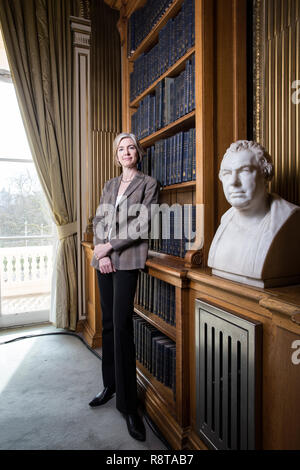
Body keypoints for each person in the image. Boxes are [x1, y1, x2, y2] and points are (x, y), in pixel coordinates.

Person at [89, 132, 160, 441]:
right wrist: (99, 250)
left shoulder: (148, 184)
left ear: (138, 153)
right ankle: (110, 384)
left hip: (128, 260)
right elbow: (99, 221)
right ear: (116, 155)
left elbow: (142, 224)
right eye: (122, 148)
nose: (127, 151)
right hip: (104, 261)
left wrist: (109, 248)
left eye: (131, 147)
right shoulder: (108, 185)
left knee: (121, 327)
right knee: (106, 325)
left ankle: (129, 406)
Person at [208, 140, 300, 287]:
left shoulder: (288, 220)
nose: (233, 182)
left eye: (244, 171)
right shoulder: (225, 221)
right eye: (227, 173)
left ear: (266, 175)